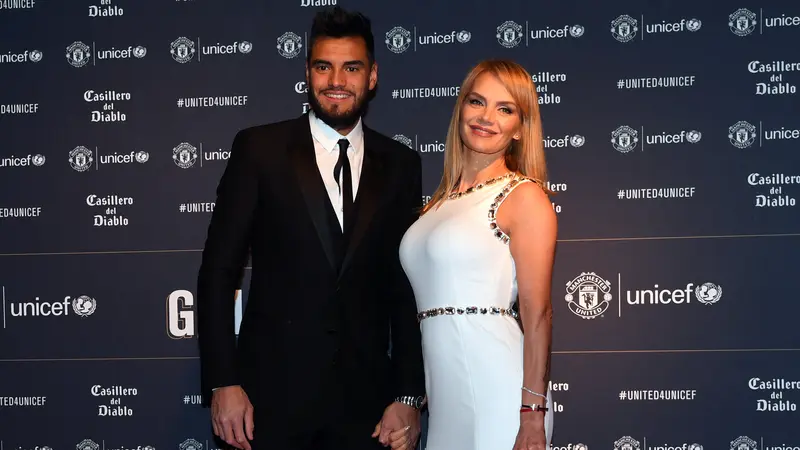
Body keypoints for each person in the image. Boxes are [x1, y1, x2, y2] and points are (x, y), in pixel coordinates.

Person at [195, 6, 426, 450]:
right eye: (324, 66)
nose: (337, 80)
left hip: (368, 409)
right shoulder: (259, 149)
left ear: (372, 76)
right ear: (308, 73)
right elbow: (218, 273)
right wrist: (223, 383)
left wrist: (407, 394)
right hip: (268, 404)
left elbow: (405, 288)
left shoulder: (400, 165)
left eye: (351, 67)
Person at [397, 60, 557, 450]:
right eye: (477, 102)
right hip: (445, 397)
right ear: (461, 109)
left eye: (505, 109)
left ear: (521, 128)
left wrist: (531, 414)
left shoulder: (524, 197)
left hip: (500, 393)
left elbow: (538, 315)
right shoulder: (438, 203)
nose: (486, 117)